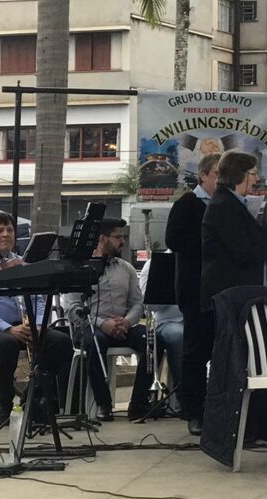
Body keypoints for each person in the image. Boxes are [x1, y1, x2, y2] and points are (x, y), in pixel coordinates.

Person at [0, 212, 73, 425]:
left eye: (9, 230)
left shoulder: (20, 263)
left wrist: (37, 324)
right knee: (6, 344)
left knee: (61, 342)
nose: (5, 234)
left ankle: (31, 398)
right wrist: (7, 329)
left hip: (23, 324)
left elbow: (37, 298)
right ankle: (4, 406)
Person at [64, 219, 151, 421]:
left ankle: (138, 404)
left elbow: (138, 303)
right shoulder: (78, 268)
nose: (122, 241)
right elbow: (72, 309)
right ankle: (104, 404)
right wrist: (103, 323)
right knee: (97, 341)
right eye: (118, 237)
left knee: (151, 341)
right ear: (103, 239)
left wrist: (127, 322)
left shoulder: (127, 269)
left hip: (123, 326)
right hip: (90, 327)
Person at [166, 151, 219, 435]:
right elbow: (174, 239)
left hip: (220, 290)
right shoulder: (187, 203)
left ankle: (219, 409)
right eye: (218, 175)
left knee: (221, 350)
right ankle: (193, 411)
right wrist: (208, 241)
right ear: (204, 176)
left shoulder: (225, 204)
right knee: (196, 352)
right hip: (194, 289)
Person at [200, 151, 267, 312]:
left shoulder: (231, 203)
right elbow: (243, 251)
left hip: (234, 295)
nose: (257, 179)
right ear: (239, 175)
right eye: (253, 173)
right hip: (228, 295)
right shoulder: (224, 206)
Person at [137, 254, 183, 414]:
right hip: (168, 322)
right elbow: (148, 306)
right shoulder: (153, 265)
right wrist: (165, 285)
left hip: (194, 321)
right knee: (179, 335)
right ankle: (183, 397)